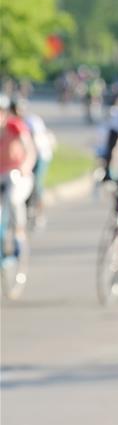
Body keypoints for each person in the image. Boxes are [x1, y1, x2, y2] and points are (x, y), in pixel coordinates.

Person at [0, 94, 37, 291]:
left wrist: (26, 165)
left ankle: (19, 236)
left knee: (14, 200)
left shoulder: (15, 126)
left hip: (16, 174)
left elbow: (29, 148)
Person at [9, 97, 56, 229]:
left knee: (37, 184)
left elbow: (33, 145)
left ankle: (39, 213)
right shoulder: (13, 122)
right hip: (24, 158)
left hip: (41, 156)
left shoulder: (31, 121)